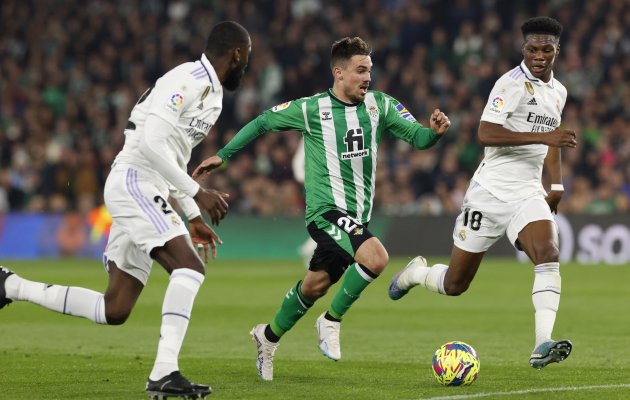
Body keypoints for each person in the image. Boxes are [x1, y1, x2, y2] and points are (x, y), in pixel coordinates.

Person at [0, 21, 252, 400]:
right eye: (246, 57)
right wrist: (197, 193)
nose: (246, 65)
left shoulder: (212, 95)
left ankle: (10, 285)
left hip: (148, 187)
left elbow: (173, 157)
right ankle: (165, 372)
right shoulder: (189, 79)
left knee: (114, 308)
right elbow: (150, 144)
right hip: (135, 180)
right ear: (236, 53)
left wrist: (193, 215)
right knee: (189, 268)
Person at [192, 36, 451, 381]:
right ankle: (330, 321)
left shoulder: (381, 106)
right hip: (325, 213)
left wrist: (433, 132)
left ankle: (266, 338)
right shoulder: (312, 109)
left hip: (356, 218)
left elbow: (418, 139)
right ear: (339, 73)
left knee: (313, 287)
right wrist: (223, 156)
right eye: (360, 71)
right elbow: (263, 122)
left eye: (369, 71)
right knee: (375, 258)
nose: (367, 78)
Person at [388, 16, 577, 370]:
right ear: (523, 49)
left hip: (526, 192)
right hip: (489, 193)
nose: (538, 55)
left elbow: (552, 143)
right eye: (532, 49)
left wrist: (556, 184)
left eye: (546, 50)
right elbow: (486, 133)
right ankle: (416, 273)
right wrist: (545, 137)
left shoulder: (559, 92)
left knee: (548, 253)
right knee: (456, 283)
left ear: (556, 51)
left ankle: (542, 343)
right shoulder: (510, 85)